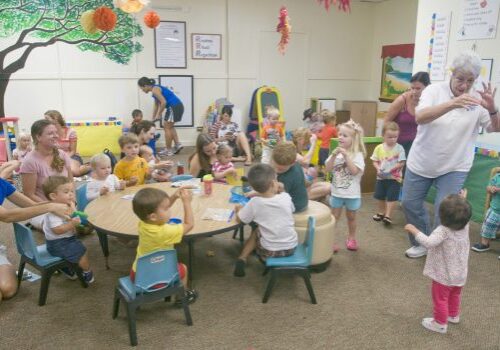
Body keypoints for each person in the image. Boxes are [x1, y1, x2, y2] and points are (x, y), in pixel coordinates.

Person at [402, 51, 500, 259]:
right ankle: (422, 241)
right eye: (460, 79)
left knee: (444, 210)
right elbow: (420, 117)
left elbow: (495, 128)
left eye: (470, 81)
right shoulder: (433, 91)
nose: (464, 85)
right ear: (452, 74)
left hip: (455, 165)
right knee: (409, 203)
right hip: (421, 161)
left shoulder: (477, 100)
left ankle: (438, 249)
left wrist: (492, 110)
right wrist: (452, 104)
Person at [405, 193, 471, 334]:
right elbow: (462, 212)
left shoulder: (443, 231)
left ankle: (440, 323)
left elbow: (429, 243)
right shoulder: (465, 226)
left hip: (444, 275)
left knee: (440, 298)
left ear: (441, 216)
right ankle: (453, 315)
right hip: (460, 273)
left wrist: (414, 230)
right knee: (455, 295)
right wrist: (463, 199)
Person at [0, 177, 71, 304]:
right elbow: (6, 216)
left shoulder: (2, 183)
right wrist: (51, 206)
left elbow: (31, 206)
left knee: (8, 289)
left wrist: (60, 203)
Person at [131, 187, 197, 303]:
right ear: (153, 216)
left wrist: (174, 197)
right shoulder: (164, 232)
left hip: (137, 275)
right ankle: (182, 297)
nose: (169, 211)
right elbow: (189, 224)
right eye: (166, 209)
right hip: (157, 280)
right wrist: (186, 202)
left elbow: (157, 208)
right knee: (184, 268)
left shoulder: (143, 223)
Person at [233, 164, 298, 277]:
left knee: (257, 230)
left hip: (269, 253)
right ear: (274, 183)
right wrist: (282, 191)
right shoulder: (286, 197)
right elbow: (292, 209)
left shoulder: (255, 202)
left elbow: (240, 220)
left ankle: (242, 257)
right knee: (264, 228)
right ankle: (243, 257)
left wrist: (238, 209)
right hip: (291, 247)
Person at [20, 119, 73, 228]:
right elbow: (29, 194)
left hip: (65, 204)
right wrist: (52, 207)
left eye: (56, 133)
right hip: (42, 208)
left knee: (84, 223)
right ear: (38, 137)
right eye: (50, 133)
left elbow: (70, 182)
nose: (55, 136)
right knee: (62, 228)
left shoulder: (62, 154)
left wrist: (72, 202)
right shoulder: (30, 161)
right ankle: (35, 223)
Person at [42, 176, 95, 283]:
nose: (71, 194)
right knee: (82, 252)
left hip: (65, 240)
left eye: (72, 191)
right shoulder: (53, 213)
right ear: (53, 196)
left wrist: (73, 208)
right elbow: (57, 230)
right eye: (66, 192)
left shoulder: (66, 205)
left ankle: (66, 268)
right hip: (59, 243)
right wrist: (72, 224)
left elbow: (75, 215)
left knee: (77, 246)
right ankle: (87, 272)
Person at [324, 120, 366, 251]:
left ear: (353, 139)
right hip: (337, 192)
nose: (340, 137)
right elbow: (327, 169)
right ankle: (329, 240)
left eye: (345, 135)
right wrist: (333, 156)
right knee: (334, 217)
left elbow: (354, 171)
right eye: (340, 134)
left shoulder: (357, 155)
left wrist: (346, 156)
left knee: (351, 217)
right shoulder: (335, 153)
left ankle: (351, 238)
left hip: (352, 194)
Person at [384, 71, 430, 158]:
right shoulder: (402, 100)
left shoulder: (429, 101)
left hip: (417, 146)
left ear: (427, 87)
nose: (414, 92)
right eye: (412, 88)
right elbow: (387, 121)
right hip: (398, 145)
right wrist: (386, 144)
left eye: (418, 88)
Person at [138, 77, 184, 156]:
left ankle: (168, 150)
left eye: (142, 88)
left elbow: (163, 102)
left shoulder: (155, 90)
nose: (142, 90)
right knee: (170, 127)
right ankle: (177, 144)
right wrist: (153, 118)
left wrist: (159, 114)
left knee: (166, 127)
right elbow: (156, 105)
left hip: (174, 107)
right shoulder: (155, 89)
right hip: (177, 106)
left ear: (145, 85)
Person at [370, 122, 406, 225]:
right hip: (381, 178)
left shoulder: (400, 148)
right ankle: (381, 212)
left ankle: (388, 215)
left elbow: (402, 162)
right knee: (380, 195)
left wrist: (390, 170)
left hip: (395, 178)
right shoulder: (378, 148)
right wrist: (377, 169)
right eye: (390, 137)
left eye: (395, 137)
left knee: (392, 197)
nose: (393, 139)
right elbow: (374, 161)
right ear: (383, 136)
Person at [44, 110, 90, 177]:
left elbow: (73, 151)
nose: (44, 122)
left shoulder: (71, 131)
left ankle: (91, 165)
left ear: (55, 119)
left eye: (46, 119)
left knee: (74, 172)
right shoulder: (48, 132)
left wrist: (63, 158)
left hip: (71, 156)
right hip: (55, 157)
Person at [292, 128, 330, 201]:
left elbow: (305, 166)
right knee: (328, 188)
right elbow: (305, 161)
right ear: (300, 140)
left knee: (329, 185)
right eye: (306, 142)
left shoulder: (299, 152)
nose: (307, 145)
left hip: (302, 187)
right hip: (296, 193)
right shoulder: (291, 150)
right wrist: (313, 144)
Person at [272, 142, 308, 213]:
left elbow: (278, 196)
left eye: (280, 169)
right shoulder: (296, 164)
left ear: (293, 163)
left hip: (296, 206)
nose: (276, 170)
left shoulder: (287, 178)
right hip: (302, 201)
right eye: (275, 166)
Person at [471, 172, 499, 254]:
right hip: (495, 210)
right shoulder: (497, 176)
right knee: (487, 226)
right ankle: (485, 244)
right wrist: (491, 189)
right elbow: (488, 188)